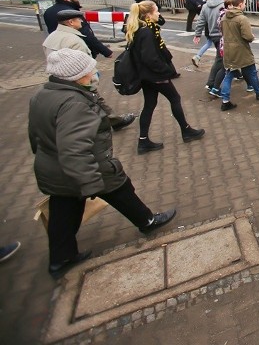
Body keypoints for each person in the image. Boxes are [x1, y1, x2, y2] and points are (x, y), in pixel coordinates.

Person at [29, 48, 177, 278]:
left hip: (53, 166)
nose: (94, 73)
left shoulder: (44, 94)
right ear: (77, 76)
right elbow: (75, 149)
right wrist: (88, 184)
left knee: (63, 210)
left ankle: (60, 259)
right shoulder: (74, 103)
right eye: (90, 70)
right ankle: (147, 221)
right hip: (87, 167)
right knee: (120, 188)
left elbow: (35, 135)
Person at [126, 1, 205, 153]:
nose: (159, 13)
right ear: (148, 14)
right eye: (156, 11)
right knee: (174, 98)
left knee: (149, 104)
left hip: (145, 75)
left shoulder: (140, 28)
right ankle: (186, 130)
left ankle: (143, 140)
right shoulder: (147, 32)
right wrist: (165, 71)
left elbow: (159, 23)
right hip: (155, 75)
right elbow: (150, 57)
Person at [43, 10, 136, 131]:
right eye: (79, 19)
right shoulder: (73, 41)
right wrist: (92, 81)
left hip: (59, 78)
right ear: (71, 22)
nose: (82, 21)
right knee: (93, 100)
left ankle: (114, 121)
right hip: (77, 80)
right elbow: (82, 65)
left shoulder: (51, 37)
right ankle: (111, 122)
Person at [219, 0, 259, 111]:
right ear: (241, 4)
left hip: (228, 50)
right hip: (241, 51)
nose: (245, 5)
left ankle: (225, 100)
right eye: (245, 3)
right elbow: (248, 37)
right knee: (252, 72)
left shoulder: (224, 17)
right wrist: (251, 36)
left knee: (228, 75)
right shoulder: (242, 19)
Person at [43, 0, 114, 58]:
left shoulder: (48, 12)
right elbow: (87, 35)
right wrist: (106, 52)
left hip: (58, 51)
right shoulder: (72, 13)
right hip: (78, 52)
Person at [194, 0, 227, 88]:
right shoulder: (223, 6)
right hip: (222, 35)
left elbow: (200, 21)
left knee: (221, 58)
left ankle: (237, 74)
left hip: (213, 35)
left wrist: (197, 34)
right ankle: (211, 83)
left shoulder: (205, 6)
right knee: (220, 60)